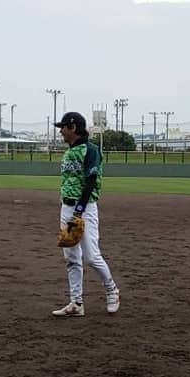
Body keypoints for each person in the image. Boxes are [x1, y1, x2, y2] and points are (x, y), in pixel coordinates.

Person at [51, 111, 120, 317]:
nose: (60, 131)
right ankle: (76, 303)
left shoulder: (91, 151)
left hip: (85, 208)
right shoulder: (69, 152)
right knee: (71, 256)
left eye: (62, 127)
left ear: (72, 127)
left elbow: (91, 182)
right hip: (67, 208)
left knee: (91, 256)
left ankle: (112, 290)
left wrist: (79, 210)